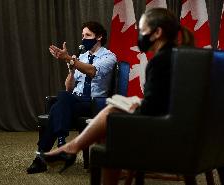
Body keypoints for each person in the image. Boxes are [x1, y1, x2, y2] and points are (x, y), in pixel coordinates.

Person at [44, 7, 194, 184]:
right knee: (111, 109)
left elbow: (153, 107)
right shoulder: (184, 56)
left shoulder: (161, 60)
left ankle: (73, 147)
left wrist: (133, 104)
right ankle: (73, 148)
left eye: (143, 30)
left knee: (112, 115)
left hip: (166, 125)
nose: (140, 35)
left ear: (157, 32)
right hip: (187, 127)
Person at [26, 21, 117, 174]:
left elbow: (93, 71)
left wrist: (70, 59)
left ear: (99, 37)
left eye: (88, 35)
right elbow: (69, 87)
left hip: (93, 103)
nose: (84, 38)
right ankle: (56, 148)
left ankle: (43, 156)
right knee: (62, 98)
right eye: (82, 35)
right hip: (75, 100)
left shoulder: (109, 56)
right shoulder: (81, 57)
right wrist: (72, 71)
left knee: (61, 101)